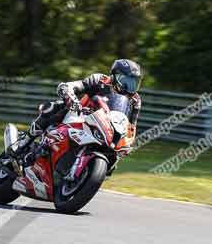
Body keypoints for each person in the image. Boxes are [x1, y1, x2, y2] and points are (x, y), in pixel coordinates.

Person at [13, 59, 143, 172]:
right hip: (79, 116)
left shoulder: (135, 101)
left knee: (113, 161)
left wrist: (128, 143)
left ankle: (87, 173)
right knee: (53, 108)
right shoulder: (100, 80)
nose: (129, 87)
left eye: (133, 83)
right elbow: (74, 86)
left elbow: (131, 126)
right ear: (115, 75)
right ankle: (22, 145)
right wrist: (70, 96)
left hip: (107, 130)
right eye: (126, 81)